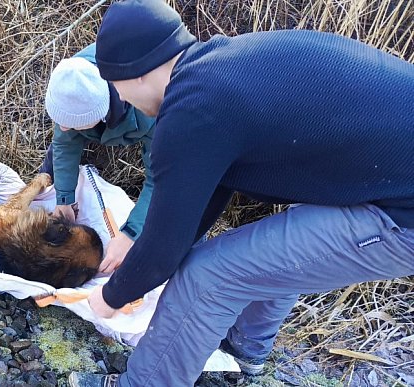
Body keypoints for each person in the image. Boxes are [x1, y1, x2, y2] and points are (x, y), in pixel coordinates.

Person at [67, 0, 414, 386]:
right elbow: (204, 200)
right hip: (387, 181)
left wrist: (111, 296)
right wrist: (144, 249)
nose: (124, 100)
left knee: (209, 275)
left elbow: (165, 253)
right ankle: (243, 350)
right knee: (267, 248)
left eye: (116, 87)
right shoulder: (220, 68)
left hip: (404, 211)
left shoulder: (192, 110)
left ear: (134, 75)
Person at [42, 43, 156, 273]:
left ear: (99, 115)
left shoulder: (151, 108)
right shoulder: (72, 81)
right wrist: (64, 199)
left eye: (72, 122)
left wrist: (130, 234)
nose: (62, 126)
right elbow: (64, 143)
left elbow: (161, 178)